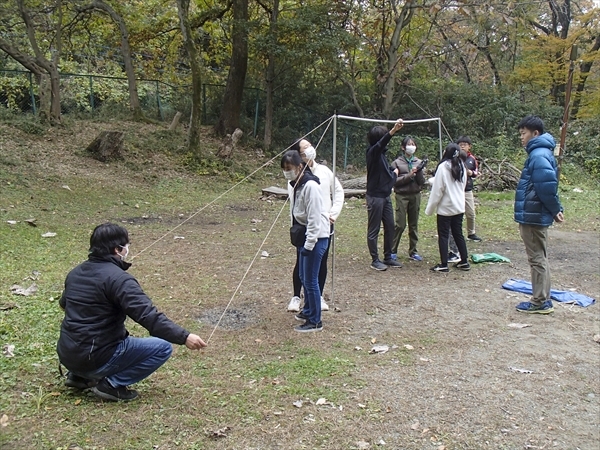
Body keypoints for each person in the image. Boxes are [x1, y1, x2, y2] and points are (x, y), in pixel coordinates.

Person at [57, 223, 207, 402]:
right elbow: (149, 317)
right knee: (162, 347)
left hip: (67, 354)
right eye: (126, 245)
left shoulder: (75, 273)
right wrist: (184, 336)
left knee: (89, 344)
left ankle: (78, 376)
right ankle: (111, 385)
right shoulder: (119, 280)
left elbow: (64, 304)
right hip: (96, 357)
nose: (128, 249)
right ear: (117, 249)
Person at [287, 139, 344, 313]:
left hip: (323, 227)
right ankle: (297, 296)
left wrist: (332, 214)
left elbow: (339, 192)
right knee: (302, 263)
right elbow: (295, 204)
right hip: (302, 227)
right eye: (304, 148)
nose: (310, 149)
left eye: (309, 145)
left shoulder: (324, 171)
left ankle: (317, 297)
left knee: (320, 262)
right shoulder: (295, 174)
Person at [514, 115, 564, 314]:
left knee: (537, 258)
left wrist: (555, 209)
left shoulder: (539, 155)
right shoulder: (540, 153)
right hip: (534, 212)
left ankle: (539, 301)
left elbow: (546, 187)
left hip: (533, 215)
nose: (522, 137)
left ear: (535, 133)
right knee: (539, 257)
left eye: (523, 133)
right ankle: (543, 297)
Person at [282, 150, 331, 332]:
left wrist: (309, 245)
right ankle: (308, 309)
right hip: (305, 236)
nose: (287, 172)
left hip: (317, 237)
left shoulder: (310, 186)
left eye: (290, 168)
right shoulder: (297, 184)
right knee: (303, 276)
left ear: (300, 167)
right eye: (285, 169)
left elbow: (315, 219)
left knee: (310, 280)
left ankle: (315, 321)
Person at [425, 143, 470, 273]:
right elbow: (462, 185)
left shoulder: (443, 167)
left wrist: (430, 209)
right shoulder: (461, 165)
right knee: (458, 233)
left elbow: (438, 190)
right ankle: (464, 261)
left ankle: (444, 264)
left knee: (443, 235)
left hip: (446, 208)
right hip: (458, 206)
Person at [366, 119, 404, 271]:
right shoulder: (372, 152)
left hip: (385, 196)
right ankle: (375, 260)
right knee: (374, 229)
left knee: (390, 226)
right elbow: (381, 143)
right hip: (375, 197)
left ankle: (388, 257)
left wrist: (394, 174)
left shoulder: (381, 155)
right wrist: (393, 131)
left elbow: (387, 174)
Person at [390, 136, 426, 262]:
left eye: (413, 144)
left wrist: (419, 171)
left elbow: (422, 182)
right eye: (409, 144)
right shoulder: (396, 163)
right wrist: (409, 176)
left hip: (415, 195)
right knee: (399, 224)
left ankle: (413, 251)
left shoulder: (418, 161)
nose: (411, 146)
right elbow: (394, 181)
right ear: (403, 147)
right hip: (402, 195)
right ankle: (392, 250)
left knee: (413, 224)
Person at [456, 136, 482, 242]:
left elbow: (476, 172)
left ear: (469, 146)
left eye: (465, 144)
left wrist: (471, 173)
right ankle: (457, 233)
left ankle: (471, 233)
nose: (462, 146)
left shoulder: (472, 159)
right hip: (456, 189)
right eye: (460, 144)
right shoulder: (454, 157)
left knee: (470, 213)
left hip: (467, 189)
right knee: (457, 213)